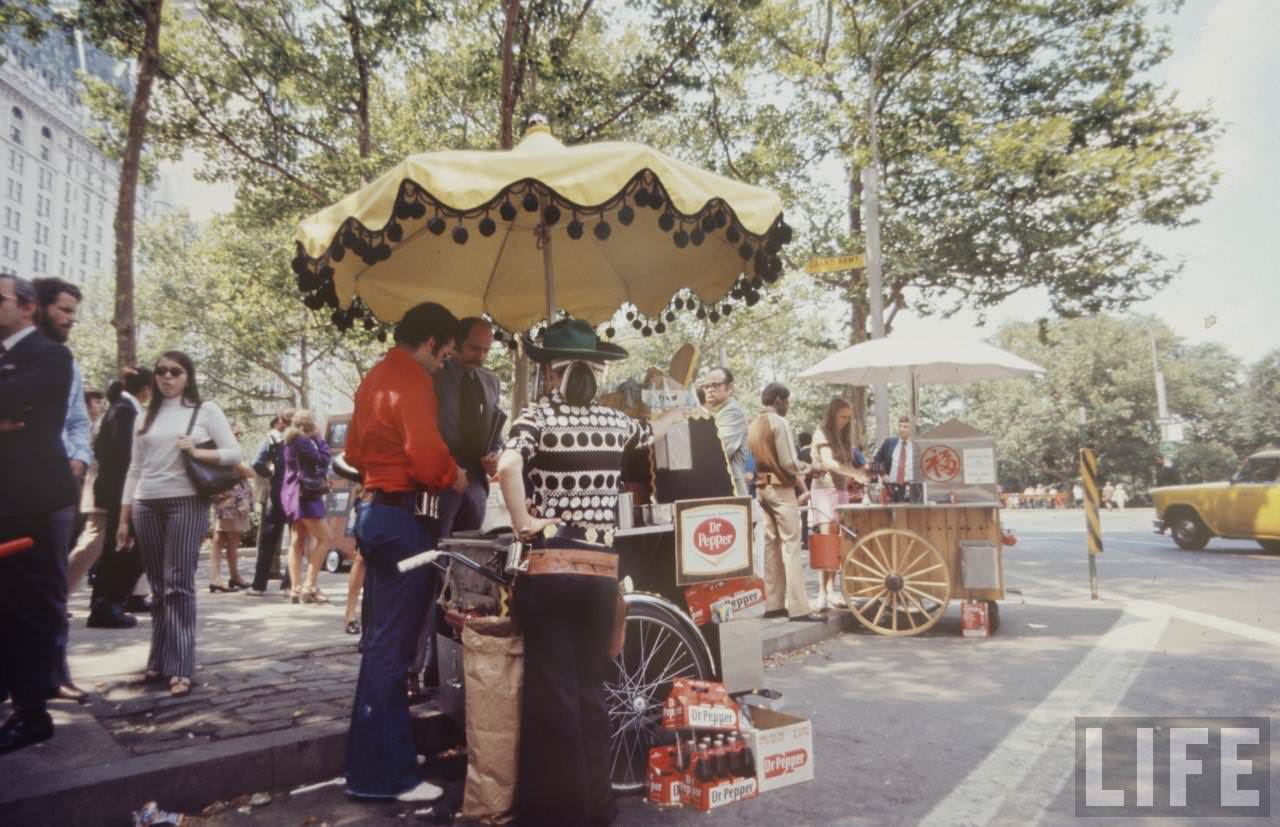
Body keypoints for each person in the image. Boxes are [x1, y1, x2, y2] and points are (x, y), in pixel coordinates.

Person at [497, 317, 690, 826]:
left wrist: (524, 522)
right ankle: (597, 807)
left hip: (549, 571)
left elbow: (508, 466)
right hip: (600, 575)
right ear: (596, 374)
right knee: (589, 692)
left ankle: (556, 814)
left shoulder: (533, 418)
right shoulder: (614, 423)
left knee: (551, 693)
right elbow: (656, 429)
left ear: (551, 374)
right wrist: (682, 404)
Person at [344, 302, 466, 803]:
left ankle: (377, 758)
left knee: (379, 645)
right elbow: (426, 453)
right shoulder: (414, 379)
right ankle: (385, 778)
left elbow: (351, 451)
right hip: (402, 518)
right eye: (447, 353)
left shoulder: (375, 375)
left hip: (374, 513)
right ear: (433, 342)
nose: (445, 363)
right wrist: (453, 474)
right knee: (391, 652)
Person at [119, 351, 241, 698]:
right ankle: (157, 659)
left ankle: (181, 665)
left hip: (186, 501)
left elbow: (233, 454)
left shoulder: (205, 410)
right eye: (161, 372)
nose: (167, 377)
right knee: (158, 587)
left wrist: (198, 452)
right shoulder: (144, 416)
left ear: (188, 376)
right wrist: (124, 517)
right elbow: (134, 469)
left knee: (179, 585)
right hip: (146, 503)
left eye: (175, 371)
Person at [0, 273, 78, 754]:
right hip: (8, 502)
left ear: (27, 307)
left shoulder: (50, 355)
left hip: (36, 503)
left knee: (29, 612)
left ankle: (33, 715)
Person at [407, 317, 503, 699]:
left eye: (485, 350)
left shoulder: (490, 382)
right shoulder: (432, 376)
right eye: (473, 349)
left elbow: (497, 434)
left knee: (466, 580)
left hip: (475, 485)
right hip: (438, 485)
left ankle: (444, 668)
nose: (479, 357)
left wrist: (495, 456)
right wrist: (449, 470)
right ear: (456, 344)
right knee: (431, 573)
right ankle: (413, 669)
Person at [33, 278, 93, 701]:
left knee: (53, 584)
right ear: (37, 307)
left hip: (55, 485)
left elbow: (78, 422)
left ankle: (55, 674)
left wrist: (77, 458)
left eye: (74, 311)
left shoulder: (66, 362)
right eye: (64, 310)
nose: (71, 320)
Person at [747, 382, 822, 623]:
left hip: (761, 488)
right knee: (791, 545)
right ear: (779, 399)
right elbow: (789, 462)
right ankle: (800, 608)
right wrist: (810, 468)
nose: (788, 405)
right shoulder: (779, 423)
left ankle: (773, 604)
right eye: (787, 401)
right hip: (781, 488)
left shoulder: (754, 424)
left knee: (771, 546)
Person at [87, 367, 152, 627]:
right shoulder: (126, 411)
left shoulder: (121, 408)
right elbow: (126, 457)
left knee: (120, 549)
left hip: (117, 489)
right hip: (122, 491)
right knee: (127, 550)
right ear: (146, 389)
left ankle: (108, 602)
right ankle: (108, 603)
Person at [809, 397, 868, 610]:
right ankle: (822, 593)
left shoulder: (845, 438)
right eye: (842, 416)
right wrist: (854, 473)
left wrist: (863, 472)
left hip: (841, 490)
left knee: (838, 542)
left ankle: (832, 590)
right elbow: (828, 462)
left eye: (848, 418)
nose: (845, 421)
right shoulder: (821, 434)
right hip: (825, 490)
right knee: (826, 540)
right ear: (832, 413)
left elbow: (852, 463)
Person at [280, 409, 333, 604]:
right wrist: (319, 437)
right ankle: (309, 585)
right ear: (309, 426)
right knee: (326, 539)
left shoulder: (289, 441)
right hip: (306, 496)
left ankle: (295, 588)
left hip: (292, 494)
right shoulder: (303, 441)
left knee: (297, 541)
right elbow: (323, 458)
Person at [246, 409, 294, 595]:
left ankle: (259, 585)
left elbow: (257, 462)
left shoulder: (272, 440)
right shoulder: (300, 440)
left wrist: (271, 474)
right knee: (295, 541)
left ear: (281, 422)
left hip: (276, 493)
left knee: (267, 541)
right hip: (295, 494)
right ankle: (289, 584)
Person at [209, 426, 253, 593]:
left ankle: (220, 577)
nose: (238, 437)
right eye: (235, 434)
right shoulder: (229, 454)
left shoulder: (216, 452)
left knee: (219, 539)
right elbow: (249, 472)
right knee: (232, 541)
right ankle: (231, 577)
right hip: (233, 502)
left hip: (224, 500)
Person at [699, 367, 749, 496]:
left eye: (716, 385)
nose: (710, 389)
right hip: (715, 488)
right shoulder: (713, 413)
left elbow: (718, 450)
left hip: (730, 491)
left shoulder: (733, 412)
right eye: (706, 386)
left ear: (730, 387)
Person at [874, 416, 922, 504]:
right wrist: (882, 473)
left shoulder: (918, 446)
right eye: (900, 426)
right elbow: (877, 459)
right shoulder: (889, 442)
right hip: (891, 488)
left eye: (905, 427)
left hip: (912, 488)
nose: (901, 429)